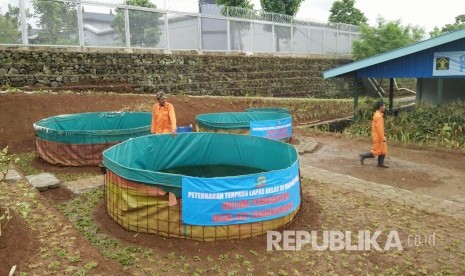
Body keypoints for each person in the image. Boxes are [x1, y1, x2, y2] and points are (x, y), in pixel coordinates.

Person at [359, 100, 389, 168]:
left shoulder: (377, 114)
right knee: (376, 151)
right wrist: (382, 138)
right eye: (384, 106)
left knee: (382, 149)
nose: (385, 107)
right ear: (380, 107)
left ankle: (380, 163)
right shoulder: (378, 116)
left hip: (377, 136)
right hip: (378, 136)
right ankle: (364, 155)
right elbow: (380, 129)